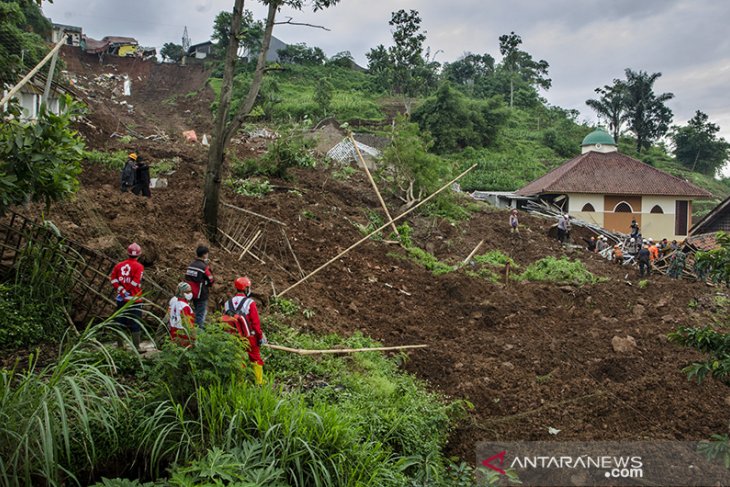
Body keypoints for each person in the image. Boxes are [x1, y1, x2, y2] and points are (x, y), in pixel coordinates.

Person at [223, 277, 267, 385]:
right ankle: (259, 382)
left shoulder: (227, 303)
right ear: (246, 288)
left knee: (239, 358)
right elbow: (256, 323)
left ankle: (240, 383)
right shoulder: (250, 303)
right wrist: (260, 337)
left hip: (234, 336)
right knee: (256, 358)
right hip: (249, 337)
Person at [109, 243, 145, 351]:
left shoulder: (119, 265)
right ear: (139, 254)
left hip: (121, 299)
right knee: (135, 322)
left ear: (127, 253)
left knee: (120, 321)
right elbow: (135, 282)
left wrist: (121, 290)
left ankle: (120, 346)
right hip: (134, 299)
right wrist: (128, 290)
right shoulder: (139, 266)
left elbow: (113, 279)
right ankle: (137, 347)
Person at [185, 245, 215, 327]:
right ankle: (198, 335)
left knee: (194, 312)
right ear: (204, 255)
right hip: (201, 294)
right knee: (200, 315)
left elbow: (187, 278)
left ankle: (191, 330)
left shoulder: (190, 265)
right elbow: (211, 280)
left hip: (190, 293)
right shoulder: (204, 267)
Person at [168, 282, 195, 347]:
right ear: (182, 293)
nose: (190, 293)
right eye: (188, 292)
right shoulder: (185, 306)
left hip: (173, 334)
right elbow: (187, 324)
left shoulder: (174, 304)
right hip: (183, 336)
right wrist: (193, 337)